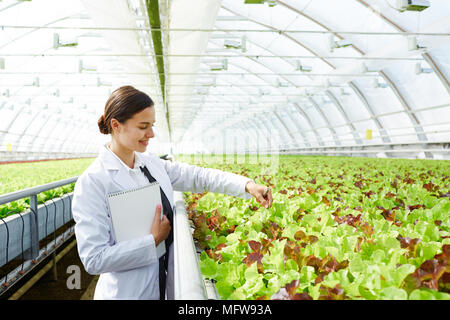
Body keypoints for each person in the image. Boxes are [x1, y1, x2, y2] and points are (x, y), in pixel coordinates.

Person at [71, 85, 273, 300]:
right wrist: (152, 240)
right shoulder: (93, 181)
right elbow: (94, 259)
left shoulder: (150, 164)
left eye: (152, 125)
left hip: (162, 285)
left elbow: (198, 176)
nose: (151, 134)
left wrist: (247, 185)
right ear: (116, 125)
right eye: (143, 126)